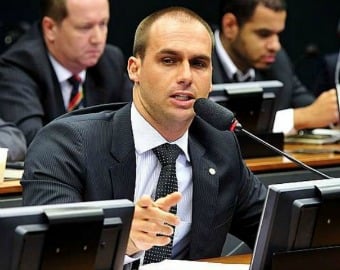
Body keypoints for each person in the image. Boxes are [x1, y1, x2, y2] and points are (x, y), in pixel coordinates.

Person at [21, 6, 266, 268]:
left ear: (211, 79)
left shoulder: (220, 146)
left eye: (198, 64)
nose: (185, 76)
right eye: (169, 60)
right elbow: (51, 255)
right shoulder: (66, 145)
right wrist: (121, 240)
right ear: (134, 69)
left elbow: (275, 229)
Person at [0, 0, 132, 145]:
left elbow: (137, 125)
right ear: (50, 28)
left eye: (103, 24)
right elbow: (34, 141)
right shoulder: (20, 66)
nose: (97, 39)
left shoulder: (110, 61)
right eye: (85, 27)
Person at [213, 0, 339, 134]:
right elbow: (207, 129)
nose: (275, 46)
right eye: (264, 34)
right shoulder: (196, 58)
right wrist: (297, 118)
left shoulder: (278, 61)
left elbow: (311, 109)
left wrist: (333, 112)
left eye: (277, 34)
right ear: (230, 26)